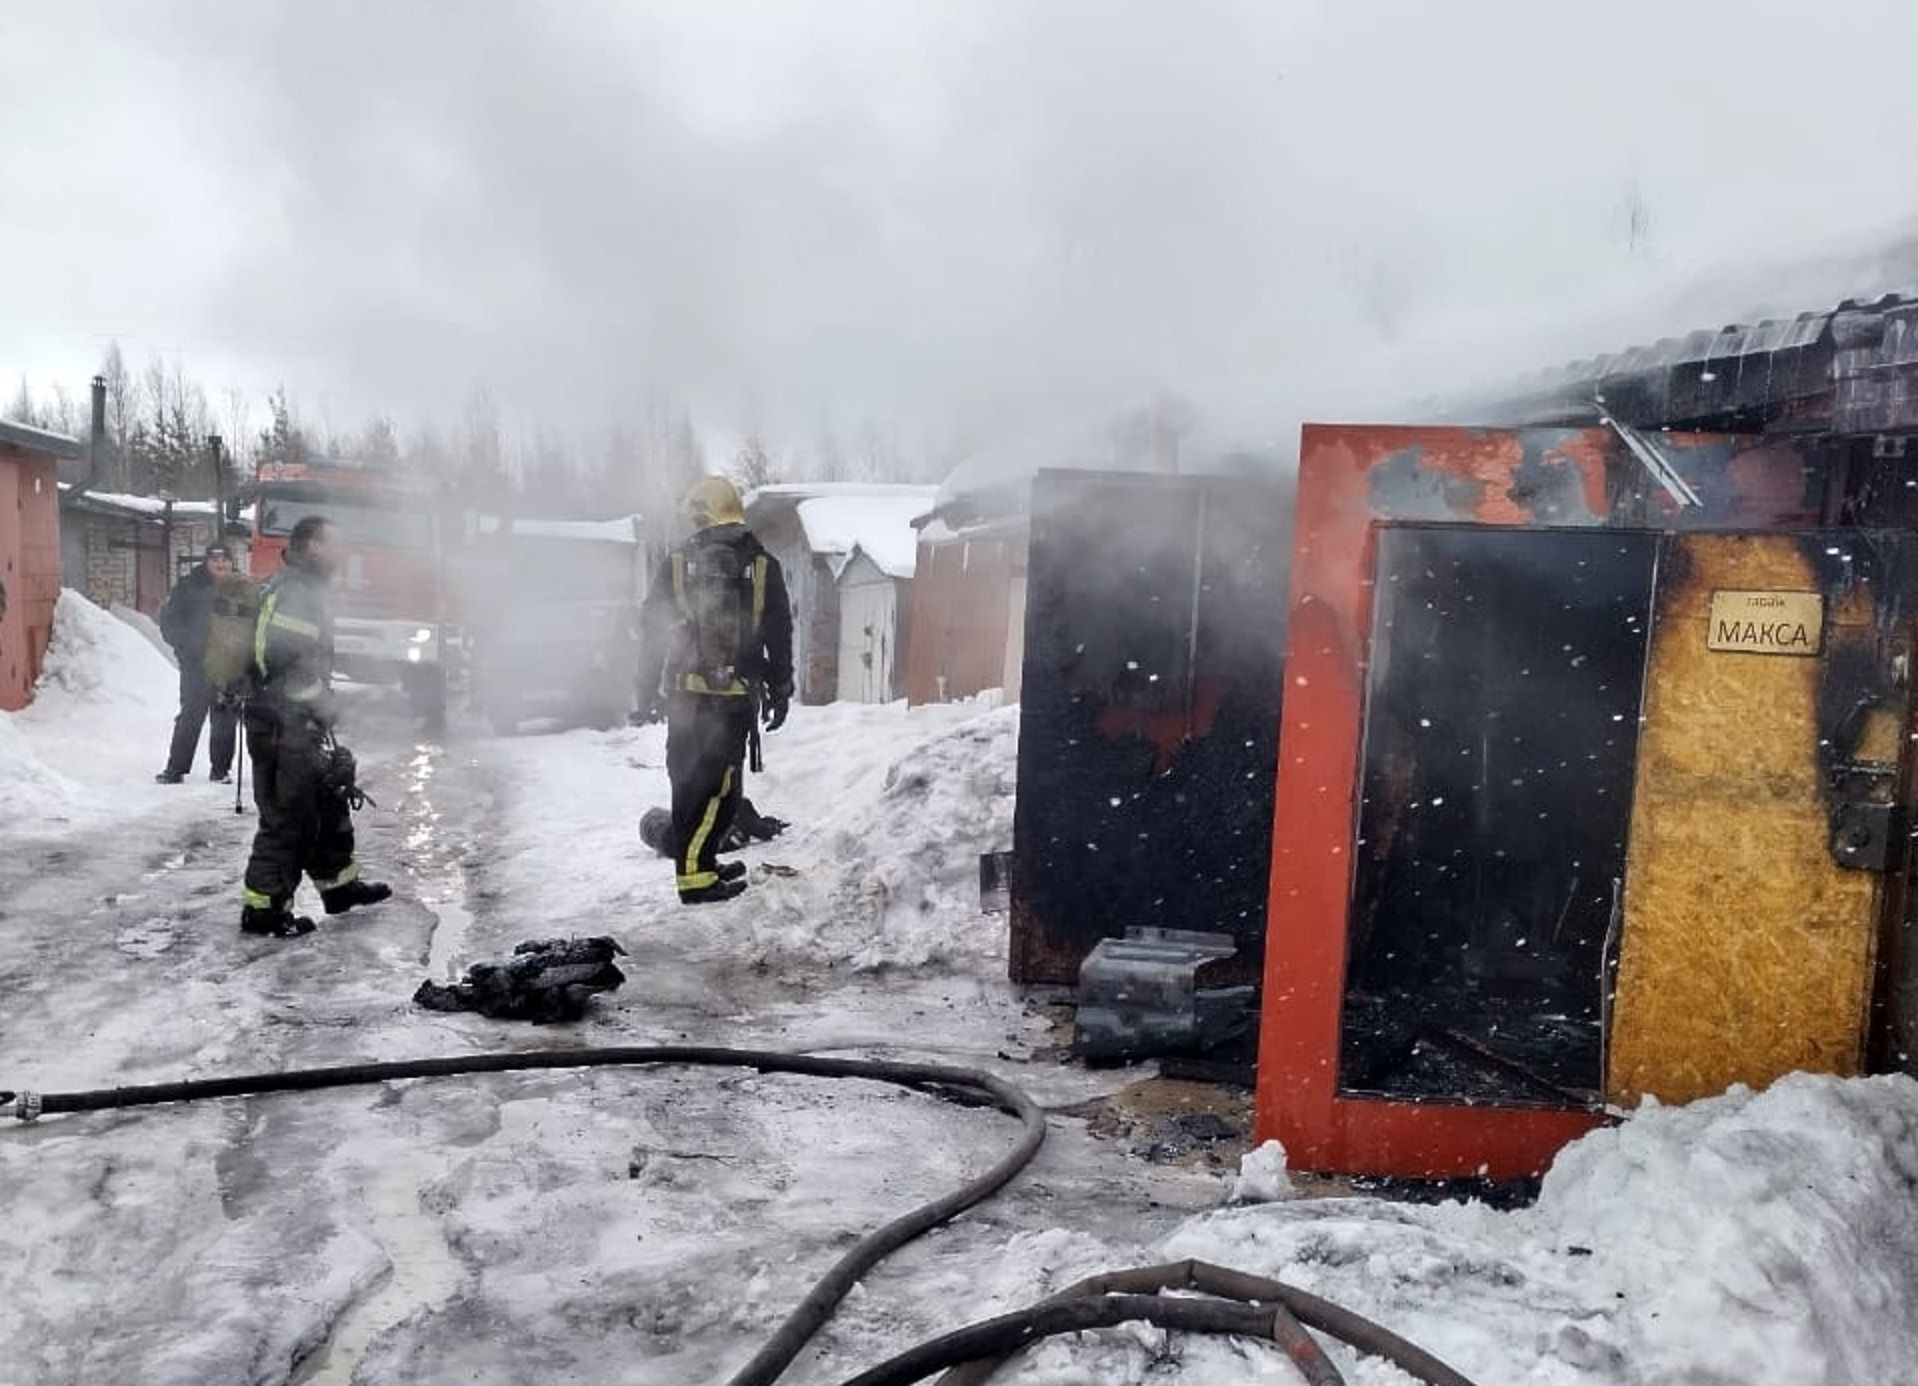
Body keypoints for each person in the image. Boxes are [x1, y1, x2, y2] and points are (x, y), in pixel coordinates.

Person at [638, 476, 794, 905]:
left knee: (691, 785)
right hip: (733, 699)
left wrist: (645, 687)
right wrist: (781, 689)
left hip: (687, 696)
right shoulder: (762, 565)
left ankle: (702, 866)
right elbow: (779, 632)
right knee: (719, 789)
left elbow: (651, 629)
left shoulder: (676, 564)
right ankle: (695, 880)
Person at [239, 516, 391, 937]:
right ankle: (264, 911)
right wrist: (323, 704)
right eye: (335, 543)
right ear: (312, 547)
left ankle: (339, 887)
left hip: (294, 721)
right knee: (289, 817)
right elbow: (284, 663)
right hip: (280, 724)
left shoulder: (304, 588)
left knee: (326, 801)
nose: (344, 552)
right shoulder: (296, 593)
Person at [155, 544, 242, 784]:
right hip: (196, 664)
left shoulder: (242, 589)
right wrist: (185, 646)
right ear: (206, 561)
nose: (221, 563)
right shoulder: (188, 587)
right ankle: (176, 769)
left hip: (228, 665)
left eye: (225, 559)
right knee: (191, 715)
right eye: (215, 559)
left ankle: (221, 770)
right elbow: (170, 622)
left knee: (225, 718)